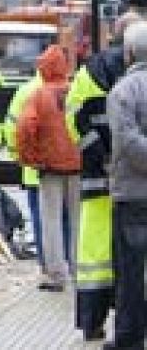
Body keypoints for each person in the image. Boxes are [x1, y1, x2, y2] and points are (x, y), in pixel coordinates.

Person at [69, 11, 146, 342]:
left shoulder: (92, 70)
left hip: (99, 178)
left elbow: (74, 118)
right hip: (132, 178)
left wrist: (98, 156)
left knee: (94, 256)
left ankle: (93, 319)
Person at [15, 44, 81, 291]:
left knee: (50, 220)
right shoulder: (76, 91)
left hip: (50, 167)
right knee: (78, 220)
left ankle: (55, 274)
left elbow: (24, 128)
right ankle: (80, 270)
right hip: (78, 165)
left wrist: (31, 158)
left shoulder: (39, 96)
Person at [107, 21, 147, 350]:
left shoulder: (123, 91)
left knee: (130, 271)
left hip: (132, 195)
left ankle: (130, 338)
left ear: (130, 52)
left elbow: (125, 140)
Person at [0, 68, 47, 266]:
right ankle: (65, 258)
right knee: (62, 218)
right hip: (63, 169)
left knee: (39, 219)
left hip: (33, 170)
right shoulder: (67, 89)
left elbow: (12, 126)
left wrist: (17, 155)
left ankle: (45, 261)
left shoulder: (26, 90)